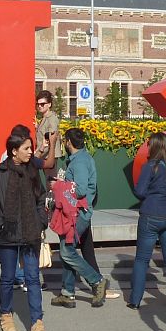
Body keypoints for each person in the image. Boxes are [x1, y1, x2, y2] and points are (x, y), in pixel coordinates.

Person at [0, 130, 49, 331]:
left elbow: (41, 199)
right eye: (26, 149)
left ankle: (37, 323)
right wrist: (0, 224)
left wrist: (40, 222)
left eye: (31, 148)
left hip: (30, 233)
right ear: (14, 151)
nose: (31, 152)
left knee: (32, 279)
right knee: (8, 277)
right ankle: (6, 313)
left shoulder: (33, 173)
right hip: (7, 234)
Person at [50, 127, 110, 309]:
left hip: (77, 214)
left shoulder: (79, 162)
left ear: (68, 142)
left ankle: (97, 280)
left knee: (67, 252)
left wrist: (59, 185)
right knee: (69, 250)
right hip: (75, 213)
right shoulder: (81, 159)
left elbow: (81, 189)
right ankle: (67, 293)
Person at [130, 132, 166, 309]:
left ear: (154, 147)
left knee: (142, 260)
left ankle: (135, 300)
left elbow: (140, 192)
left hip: (152, 215)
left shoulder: (151, 166)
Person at [34, 89, 61, 177]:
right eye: (38, 104)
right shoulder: (45, 118)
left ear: (49, 104)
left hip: (49, 156)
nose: (40, 106)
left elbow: (50, 140)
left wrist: (37, 154)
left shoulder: (52, 119)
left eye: (42, 104)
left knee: (50, 183)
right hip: (44, 155)